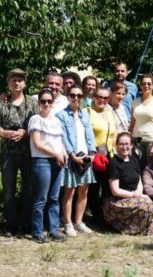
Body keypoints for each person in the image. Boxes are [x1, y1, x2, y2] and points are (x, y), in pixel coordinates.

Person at [0, 69, 37, 237]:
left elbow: (37, 124)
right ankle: (10, 225)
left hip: (28, 152)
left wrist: (25, 132)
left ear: (25, 84)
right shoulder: (2, 103)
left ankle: (26, 223)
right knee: (9, 191)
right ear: (8, 83)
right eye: (13, 80)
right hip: (8, 153)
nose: (17, 83)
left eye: (20, 80)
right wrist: (2, 133)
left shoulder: (32, 103)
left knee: (29, 189)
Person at [28, 89, 68, 243]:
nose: (46, 104)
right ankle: (37, 232)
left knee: (54, 198)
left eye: (49, 101)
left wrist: (63, 153)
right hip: (42, 162)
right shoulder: (35, 119)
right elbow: (37, 144)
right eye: (43, 101)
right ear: (38, 103)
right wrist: (56, 154)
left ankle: (54, 230)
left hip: (57, 162)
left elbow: (60, 141)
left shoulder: (56, 121)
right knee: (41, 199)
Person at [56, 86, 97, 237]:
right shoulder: (61, 115)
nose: (76, 98)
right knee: (70, 192)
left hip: (85, 156)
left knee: (83, 191)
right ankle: (67, 223)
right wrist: (72, 156)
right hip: (71, 159)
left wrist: (92, 153)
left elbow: (90, 134)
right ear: (68, 96)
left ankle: (78, 222)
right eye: (73, 95)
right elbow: (64, 137)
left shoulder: (85, 114)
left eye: (79, 95)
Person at [104, 132, 153, 235]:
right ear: (116, 145)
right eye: (121, 144)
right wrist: (135, 195)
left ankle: (136, 227)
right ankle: (126, 227)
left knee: (150, 206)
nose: (124, 147)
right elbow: (115, 191)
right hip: (116, 201)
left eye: (127, 144)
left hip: (133, 197)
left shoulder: (134, 160)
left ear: (131, 145)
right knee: (147, 205)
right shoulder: (114, 163)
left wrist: (139, 191)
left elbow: (139, 181)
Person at [85, 86, 118, 226]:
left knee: (107, 187)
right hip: (94, 155)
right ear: (93, 97)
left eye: (105, 98)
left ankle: (106, 215)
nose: (102, 100)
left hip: (109, 154)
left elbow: (114, 133)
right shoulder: (87, 112)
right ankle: (95, 217)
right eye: (99, 97)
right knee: (94, 188)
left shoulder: (109, 112)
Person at [128, 74, 153, 167]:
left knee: (151, 169)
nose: (146, 86)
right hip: (136, 141)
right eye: (143, 84)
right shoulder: (134, 102)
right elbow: (132, 123)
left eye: (149, 83)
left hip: (151, 141)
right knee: (137, 168)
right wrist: (129, 142)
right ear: (140, 85)